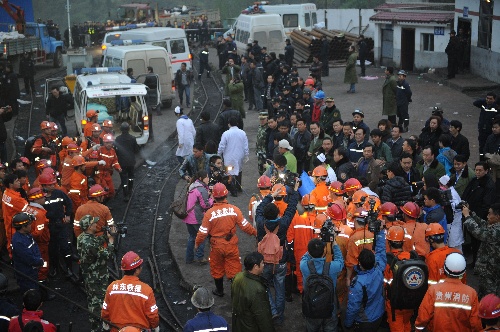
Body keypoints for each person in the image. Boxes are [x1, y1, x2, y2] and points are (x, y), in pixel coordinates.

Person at [195, 183, 257, 297]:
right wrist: (255, 233)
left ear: (213, 197)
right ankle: (236, 294)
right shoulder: (235, 210)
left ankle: (219, 291)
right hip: (231, 244)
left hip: (216, 246)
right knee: (234, 269)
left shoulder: (209, 214)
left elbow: (202, 232)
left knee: (216, 268)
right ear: (226, 195)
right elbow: (245, 226)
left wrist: (197, 244)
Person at [255, 181, 299, 325]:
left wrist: (270, 196)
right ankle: (279, 317)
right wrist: (295, 191)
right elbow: (291, 208)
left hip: (264, 262)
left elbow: (259, 209)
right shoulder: (283, 224)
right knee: (280, 290)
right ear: (277, 214)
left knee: (264, 287)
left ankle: (272, 311)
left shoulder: (261, 223)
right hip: (280, 261)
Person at [415, 252, 482, 332]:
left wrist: (418, 329)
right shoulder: (471, 293)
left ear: (445, 270)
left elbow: (423, 317)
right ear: (464, 272)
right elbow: (475, 323)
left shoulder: (433, 290)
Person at [102, 251, 159, 331]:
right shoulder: (146, 290)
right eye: (140, 266)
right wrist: (155, 326)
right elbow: (153, 315)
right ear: (137, 270)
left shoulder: (112, 288)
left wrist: (105, 323)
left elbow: (105, 311)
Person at [77, 215, 116, 332]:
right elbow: (107, 255)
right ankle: (97, 326)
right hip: (96, 277)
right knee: (97, 301)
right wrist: (111, 241)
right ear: (89, 226)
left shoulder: (82, 237)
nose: (96, 225)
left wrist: (105, 235)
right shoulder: (89, 243)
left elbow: (95, 241)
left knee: (92, 298)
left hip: (89, 274)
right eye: (94, 223)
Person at [344, 227, 386, 331]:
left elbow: (353, 307)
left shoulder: (358, 283)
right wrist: (380, 231)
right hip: (379, 314)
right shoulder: (379, 269)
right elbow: (381, 251)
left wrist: (348, 324)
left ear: (360, 264)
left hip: (365, 321)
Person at [300, 238, 344, 332]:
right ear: (324, 251)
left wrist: (314, 246)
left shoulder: (304, 266)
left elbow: (305, 256)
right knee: (330, 328)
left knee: (312, 327)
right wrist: (334, 243)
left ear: (310, 252)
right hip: (330, 306)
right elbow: (340, 260)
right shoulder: (333, 267)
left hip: (311, 307)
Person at [461, 161, 497, 268]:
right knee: (473, 241)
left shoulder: (489, 185)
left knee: (479, 241)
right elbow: (466, 193)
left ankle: (478, 263)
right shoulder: (474, 180)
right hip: (471, 213)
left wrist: (477, 216)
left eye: (480, 170)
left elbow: (486, 203)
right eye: (476, 170)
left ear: (486, 171)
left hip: (480, 217)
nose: (477, 172)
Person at [462, 202, 500, 299]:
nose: (487, 216)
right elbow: (483, 225)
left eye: (490, 213)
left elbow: (479, 233)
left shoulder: (497, 231)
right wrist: (471, 214)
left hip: (492, 271)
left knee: (490, 296)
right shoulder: (495, 226)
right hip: (489, 269)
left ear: (497, 217)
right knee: (483, 292)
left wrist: (467, 216)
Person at [231, 252, 275, 332]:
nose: (263, 265)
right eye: (262, 263)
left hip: (239, 323)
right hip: (251, 327)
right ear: (255, 266)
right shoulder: (257, 289)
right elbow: (262, 317)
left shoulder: (238, 277)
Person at [183, 170, 213, 264]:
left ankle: (189, 258)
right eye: (207, 177)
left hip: (188, 217)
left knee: (192, 237)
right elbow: (205, 205)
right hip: (197, 218)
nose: (208, 179)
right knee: (202, 237)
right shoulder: (202, 189)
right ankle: (200, 258)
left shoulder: (193, 186)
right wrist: (212, 198)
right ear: (201, 178)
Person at [11, 212, 44, 293]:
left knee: (35, 287)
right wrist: (39, 261)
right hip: (26, 274)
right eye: (29, 224)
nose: (31, 225)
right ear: (23, 227)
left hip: (32, 270)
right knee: (30, 292)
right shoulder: (18, 242)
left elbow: (35, 247)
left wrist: (38, 259)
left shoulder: (27, 235)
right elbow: (28, 258)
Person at [217, 117, 249, 194]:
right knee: (239, 170)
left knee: (229, 172)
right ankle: (239, 187)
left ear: (229, 124)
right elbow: (245, 145)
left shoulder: (226, 133)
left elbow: (222, 145)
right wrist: (246, 155)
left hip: (229, 156)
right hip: (239, 155)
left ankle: (232, 188)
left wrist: (218, 154)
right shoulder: (242, 133)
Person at [2, 174, 28, 256]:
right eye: (16, 181)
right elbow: (27, 208)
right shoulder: (15, 199)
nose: (19, 182)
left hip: (9, 224)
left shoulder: (6, 192)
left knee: (11, 244)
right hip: (15, 227)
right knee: (18, 247)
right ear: (11, 184)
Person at [114, 122, 139, 202]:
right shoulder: (133, 138)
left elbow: (116, 151)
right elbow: (136, 150)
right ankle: (130, 190)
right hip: (131, 162)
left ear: (121, 129)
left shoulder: (117, 139)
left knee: (124, 179)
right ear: (129, 129)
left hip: (122, 162)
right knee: (131, 177)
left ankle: (125, 194)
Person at [473, 92, 497, 160]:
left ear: (494, 99)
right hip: (482, 131)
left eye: (490, 99)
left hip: (490, 132)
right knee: (481, 147)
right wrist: (484, 100)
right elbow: (475, 103)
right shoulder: (483, 105)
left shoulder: (496, 108)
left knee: (490, 147)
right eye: (487, 98)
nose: (488, 100)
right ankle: (481, 160)